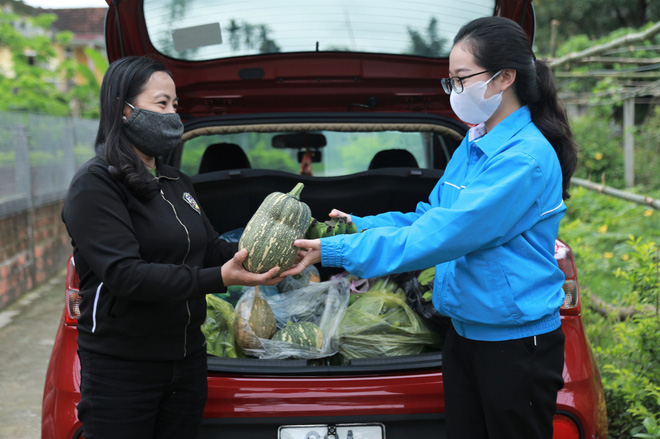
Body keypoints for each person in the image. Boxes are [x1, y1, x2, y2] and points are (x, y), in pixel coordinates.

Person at [282, 16, 578, 439]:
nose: (455, 91)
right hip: (465, 332)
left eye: (461, 79)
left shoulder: (523, 160)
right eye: (451, 81)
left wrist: (335, 253)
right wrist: (358, 227)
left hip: (514, 345)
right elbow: (429, 216)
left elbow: (442, 236)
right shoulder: (475, 141)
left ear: (504, 78)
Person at [62, 55, 283, 439]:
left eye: (175, 105)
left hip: (187, 360)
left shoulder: (175, 179)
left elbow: (210, 247)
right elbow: (126, 276)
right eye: (161, 104)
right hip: (123, 366)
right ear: (123, 109)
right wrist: (219, 278)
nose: (173, 115)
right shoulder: (96, 184)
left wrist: (264, 254)